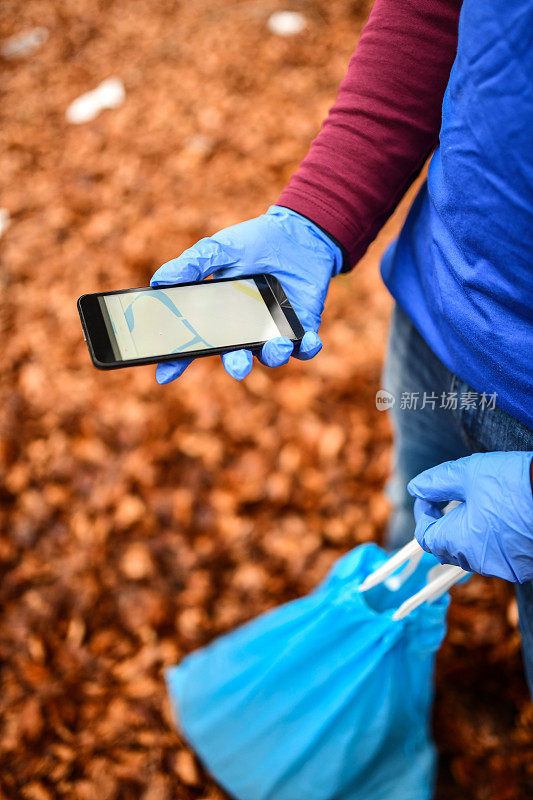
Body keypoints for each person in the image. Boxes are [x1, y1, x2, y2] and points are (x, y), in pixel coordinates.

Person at [151, 0, 533, 693]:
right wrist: (317, 213)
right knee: (410, 522)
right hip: (437, 317)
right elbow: (433, 12)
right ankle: (384, 675)